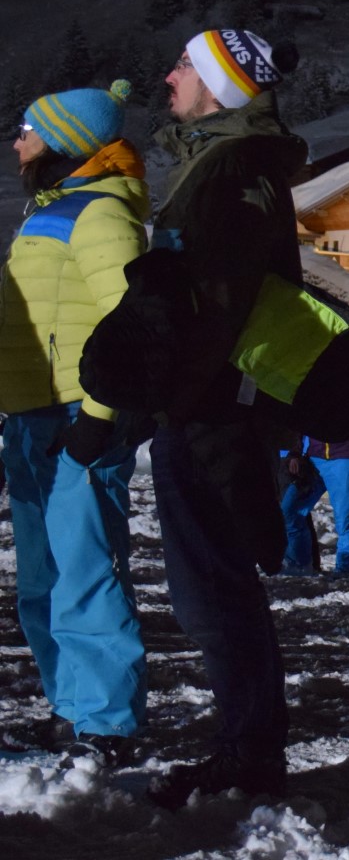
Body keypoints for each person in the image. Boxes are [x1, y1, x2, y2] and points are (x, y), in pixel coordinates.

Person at [139, 30, 304, 806]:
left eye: (183, 65)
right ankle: (248, 746)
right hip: (216, 402)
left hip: (212, 407)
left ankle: (249, 755)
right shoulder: (223, 161)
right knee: (215, 585)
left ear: (216, 83)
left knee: (212, 590)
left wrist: (179, 394)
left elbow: (218, 302)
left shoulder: (232, 168)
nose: (167, 76)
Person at [0, 80, 147, 768]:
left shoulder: (101, 213)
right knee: (41, 580)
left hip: (77, 418)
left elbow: (132, 325)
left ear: (62, 140)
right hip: (30, 417)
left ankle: (106, 722)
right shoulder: (47, 212)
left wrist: (99, 417)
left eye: (27, 130)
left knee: (85, 571)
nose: (16, 141)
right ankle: (69, 705)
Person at [279, 430, 349, 576]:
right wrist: (294, 453)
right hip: (313, 458)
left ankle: (348, 569)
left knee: (344, 517)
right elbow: (299, 423)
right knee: (290, 510)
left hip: (343, 456)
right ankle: (298, 564)